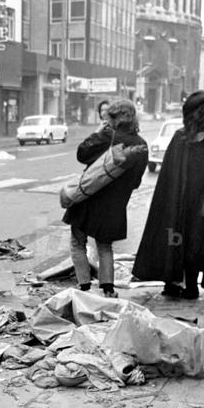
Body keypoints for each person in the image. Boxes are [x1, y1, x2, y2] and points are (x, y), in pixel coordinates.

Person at [132, 90, 204, 299]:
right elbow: (170, 174)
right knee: (173, 239)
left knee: (196, 243)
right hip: (179, 199)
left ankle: (191, 283)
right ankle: (172, 281)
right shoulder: (180, 138)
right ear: (201, 113)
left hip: (203, 203)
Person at [62, 99, 148, 298]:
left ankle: (84, 287)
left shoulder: (106, 137)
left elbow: (82, 154)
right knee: (105, 247)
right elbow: (136, 181)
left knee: (77, 243)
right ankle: (108, 290)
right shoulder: (141, 144)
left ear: (111, 118)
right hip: (114, 205)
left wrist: (99, 132)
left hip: (88, 199)